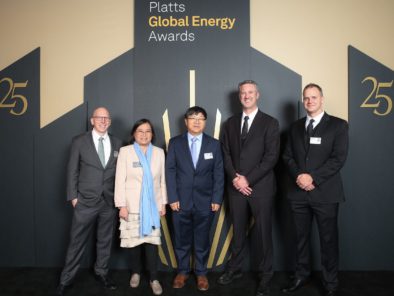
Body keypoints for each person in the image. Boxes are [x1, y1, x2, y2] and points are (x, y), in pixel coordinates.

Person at [282, 83, 349, 296]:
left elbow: (338, 159)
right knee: (300, 238)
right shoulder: (295, 127)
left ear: (322, 99)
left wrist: (313, 178)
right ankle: (301, 275)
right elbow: (287, 156)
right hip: (298, 192)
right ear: (303, 101)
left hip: (326, 193)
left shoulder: (338, 125)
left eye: (314, 97)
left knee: (328, 240)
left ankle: (330, 283)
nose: (310, 101)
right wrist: (299, 177)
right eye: (306, 98)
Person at [218, 80, 280, 296]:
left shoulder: (270, 123)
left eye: (250, 92)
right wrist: (236, 178)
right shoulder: (230, 123)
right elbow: (225, 153)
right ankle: (235, 269)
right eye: (243, 93)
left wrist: (248, 179)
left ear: (257, 95)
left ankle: (265, 276)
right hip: (236, 187)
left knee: (263, 234)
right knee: (238, 231)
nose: (246, 96)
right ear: (239, 96)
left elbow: (271, 157)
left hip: (260, 188)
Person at [56, 107, 123, 296]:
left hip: (108, 202)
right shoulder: (79, 141)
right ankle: (66, 279)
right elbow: (72, 170)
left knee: (105, 240)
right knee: (77, 242)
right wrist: (73, 196)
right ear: (92, 120)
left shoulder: (117, 142)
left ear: (109, 121)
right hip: (85, 200)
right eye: (99, 117)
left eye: (106, 118)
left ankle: (101, 272)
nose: (103, 120)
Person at [166, 106, 224, 291]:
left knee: (202, 239)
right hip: (179, 202)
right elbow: (170, 171)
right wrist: (173, 197)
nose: (197, 121)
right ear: (186, 121)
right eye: (193, 118)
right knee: (181, 238)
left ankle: (201, 273)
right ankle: (182, 271)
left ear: (205, 122)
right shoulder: (175, 143)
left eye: (201, 118)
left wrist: (216, 198)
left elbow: (219, 173)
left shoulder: (214, 144)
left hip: (206, 202)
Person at [114, 119, 167, 295]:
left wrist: (163, 203)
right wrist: (121, 205)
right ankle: (136, 273)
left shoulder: (159, 152)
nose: (144, 134)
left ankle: (154, 278)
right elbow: (119, 180)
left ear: (152, 134)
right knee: (134, 244)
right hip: (131, 205)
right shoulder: (125, 152)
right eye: (140, 131)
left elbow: (162, 181)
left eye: (148, 131)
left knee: (151, 245)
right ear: (134, 134)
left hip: (152, 206)